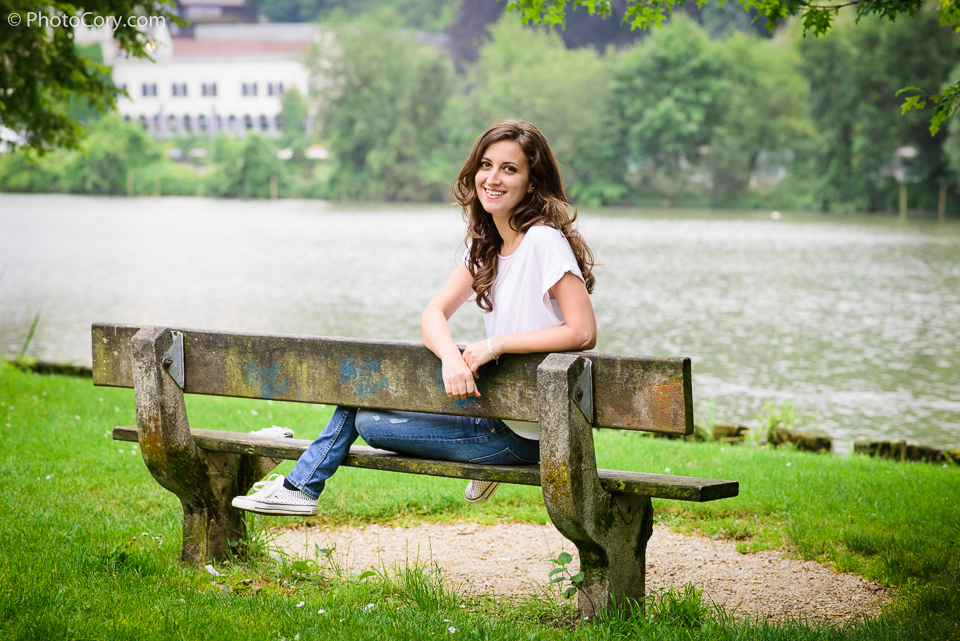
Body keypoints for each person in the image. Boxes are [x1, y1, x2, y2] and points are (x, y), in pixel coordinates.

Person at [232, 120, 597, 516]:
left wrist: (497, 344)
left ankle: (301, 487)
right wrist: (450, 357)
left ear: (531, 182)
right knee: (366, 388)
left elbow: (582, 331)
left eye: (510, 169)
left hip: (531, 432)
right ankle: (300, 487)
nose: (493, 178)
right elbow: (433, 313)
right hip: (501, 410)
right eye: (486, 165)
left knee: (365, 416)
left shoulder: (543, 239)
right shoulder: (485, 247)